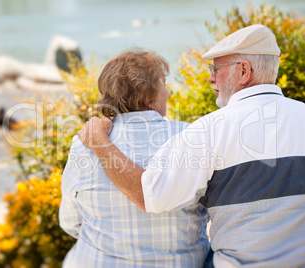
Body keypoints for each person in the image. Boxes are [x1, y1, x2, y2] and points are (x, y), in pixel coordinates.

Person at [77, 25, 305, 267]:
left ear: (244, 71)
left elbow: (149, 195)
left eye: (215, 70)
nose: (211, 80)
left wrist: (99, 142)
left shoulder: (208, 130)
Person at [59, 48, 211, 267]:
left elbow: (71, 222)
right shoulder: (192, 137)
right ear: (151, 97)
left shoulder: (85, 143)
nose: (167, 93)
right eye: (164, 86)